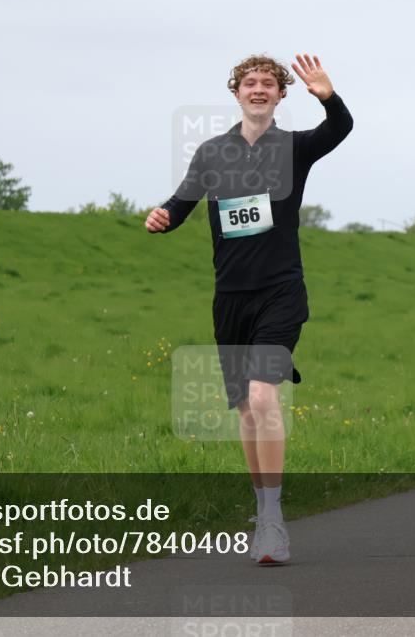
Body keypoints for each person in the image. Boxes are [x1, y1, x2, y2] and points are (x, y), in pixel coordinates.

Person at [145, 53, 353, 564]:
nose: (258, 89)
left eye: (268, 83)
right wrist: (163, 216)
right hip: (231, 298)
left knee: (263, 399)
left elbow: (340, 128)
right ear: (236, 92)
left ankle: (274, 521)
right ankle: (262, 512)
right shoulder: (213, 153)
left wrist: (328, 97)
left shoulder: (294, 147)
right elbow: (182, 203)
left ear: (281, 95)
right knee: (245, 409)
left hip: (281, 292)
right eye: (249, 83)